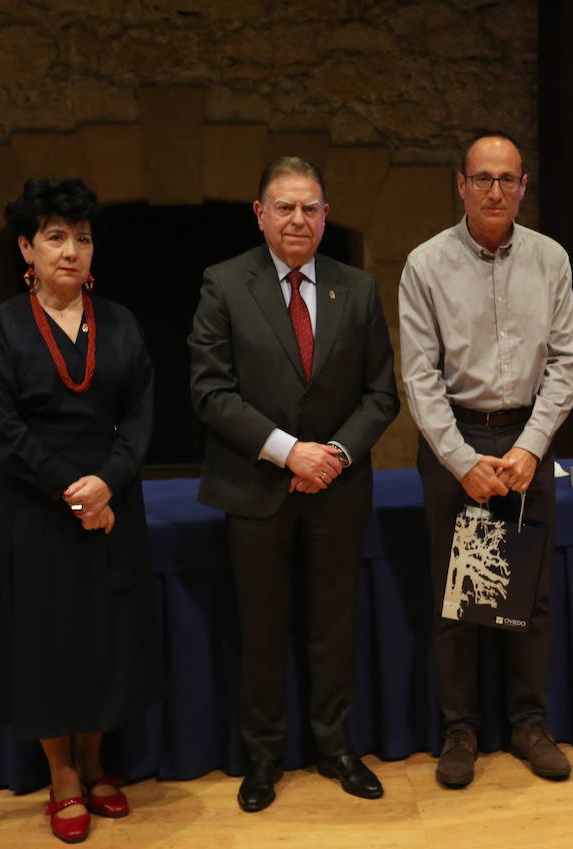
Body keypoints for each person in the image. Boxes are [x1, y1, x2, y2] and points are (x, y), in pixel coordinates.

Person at [189, 156, 397, 812]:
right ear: (260, 214)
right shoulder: (223, 284)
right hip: (256, 489)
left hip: (336, 488)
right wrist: (288, 453)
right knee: (261, 627)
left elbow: (381, 392)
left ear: (327, 215)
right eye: (284, 207)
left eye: (310, 208)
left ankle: (335, 746)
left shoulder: (357, 289)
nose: (298, 220)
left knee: (333, 626)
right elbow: (209, 391)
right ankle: (263, 756)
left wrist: (332, 453)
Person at [0, 178, 163, 844]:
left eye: (81, 238)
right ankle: (62, 776)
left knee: (105, 637)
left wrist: (106, 484)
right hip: (39, 506)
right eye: (55, 237)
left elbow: (141, 417)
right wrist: (72, 489)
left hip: (113, 502)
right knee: (47, 643)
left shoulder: (121, 322)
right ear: (27, 247)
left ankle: (96, 761)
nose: (70, 251)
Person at [398, 130, 573, 789]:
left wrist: (531, 446)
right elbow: (419, 377)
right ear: (461, 184)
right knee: (459, 601)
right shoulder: (425, 264)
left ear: (523, 186)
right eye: (483, 178)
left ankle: (529, 725)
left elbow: (566, 363)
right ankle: (460, 731)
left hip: (526, 441)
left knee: (529, 594)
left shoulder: (550, 259)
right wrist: (460, 459)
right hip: (459, 441)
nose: (495, 190)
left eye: (507, 179)